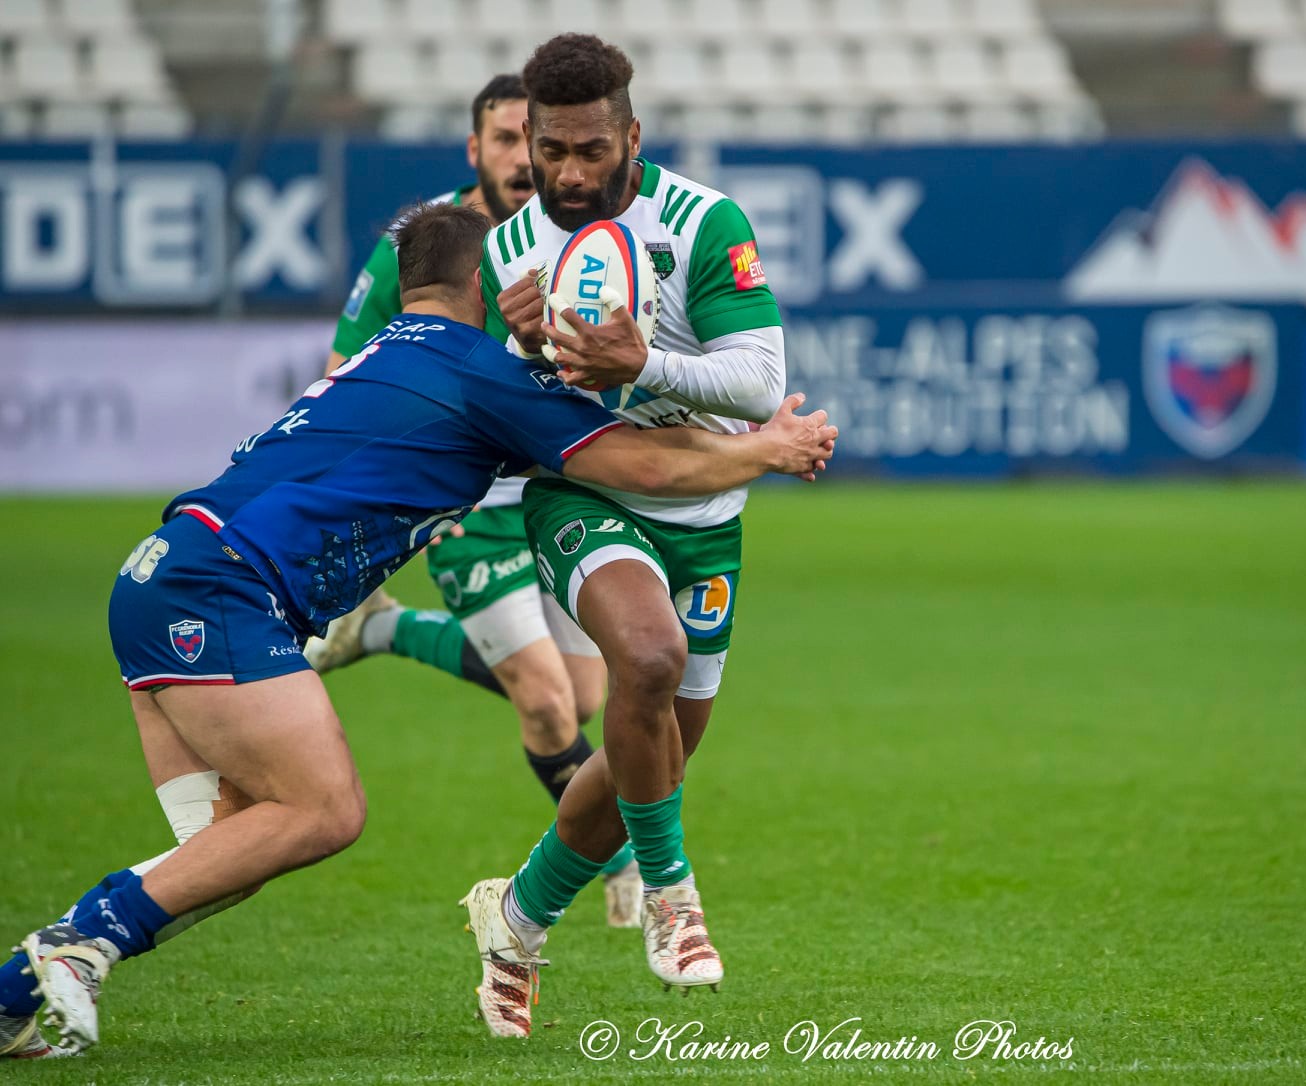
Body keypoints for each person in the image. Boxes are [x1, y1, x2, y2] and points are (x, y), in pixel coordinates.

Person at [0, 201, 836, 1058]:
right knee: (323, 810)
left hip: (157, 577)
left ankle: (14, 992)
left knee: (224, 853)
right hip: (218, 592)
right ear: (489, 282)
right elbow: (645, 464)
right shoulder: (480, 372)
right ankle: (80, 945)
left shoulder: (384, 352)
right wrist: (769, 448)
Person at [458, 32, 789, 1033]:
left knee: (649, 756)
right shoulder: (511, 247)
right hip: (584, 497)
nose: (563, 173)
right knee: (645, 659)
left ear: (631, 136)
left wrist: (641, 363)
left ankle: (514, 922)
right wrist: (516, 352)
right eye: (549, 150)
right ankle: (674, 903)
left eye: (588, 151)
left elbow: (760, 384)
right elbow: (500, 406)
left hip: (704, 514)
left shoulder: (702, 223)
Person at [307, 75, 645, 925]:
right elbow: (346, 371)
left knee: (585, 697)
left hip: (555, 486)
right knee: (542, 701)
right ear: (478, 150)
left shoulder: (582, 237)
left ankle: (381, 628)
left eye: (527, 140)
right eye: (501, 140)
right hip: (463, 499)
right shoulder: (424, 243)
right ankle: (623, 863)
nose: (520, 158)